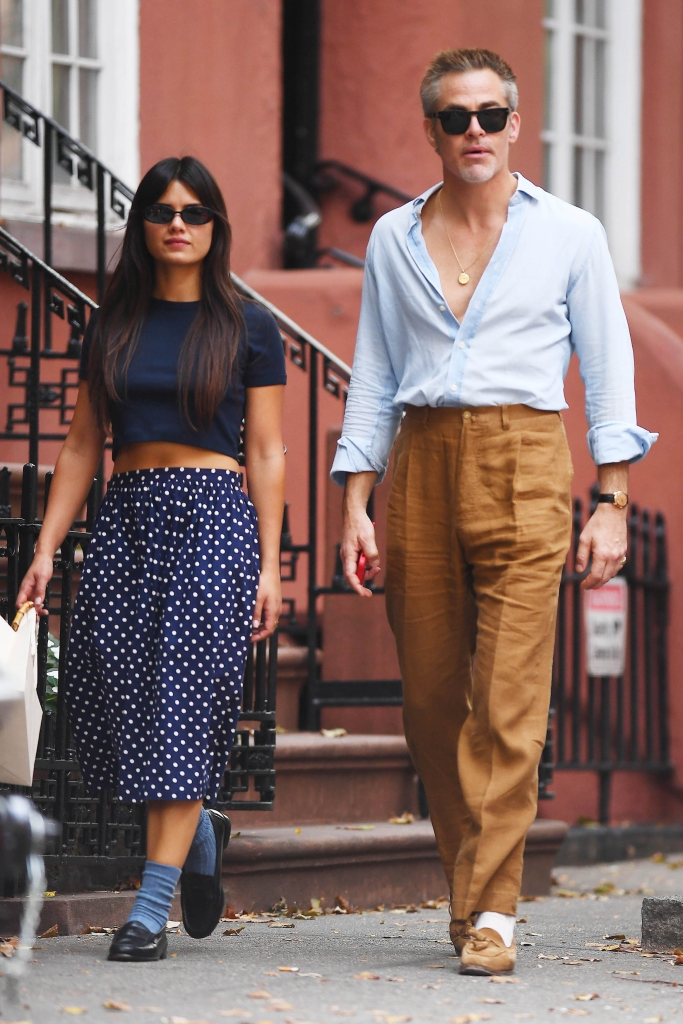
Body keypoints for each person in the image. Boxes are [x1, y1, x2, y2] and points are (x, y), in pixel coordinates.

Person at [332, 48, 656, 975]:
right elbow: (376, 377)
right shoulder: (392, 239)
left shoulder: (570, 234)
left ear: (515, 125)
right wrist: (356, 500)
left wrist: (611, 503)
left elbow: (607, 373)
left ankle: (495, 914)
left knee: (508, 703)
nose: (472, 130)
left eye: (488, 114)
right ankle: (466, 885)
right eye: (453, 116)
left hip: (524, 456)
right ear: (429, 129)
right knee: (433, 703)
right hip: (423, 464)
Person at [17, 156, 286, 962]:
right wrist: (45, 547)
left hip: (212, 521)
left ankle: (148, 909)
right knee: (131, 705)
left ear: (216, 227)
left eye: (196, 212)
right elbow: (78, 448)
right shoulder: (112, 324)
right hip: (126, 518)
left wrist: (272, 565)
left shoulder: (248, 325)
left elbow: (268, 452)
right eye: (163, 211)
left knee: (177, 700)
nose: (179, 223)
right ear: (141, 225)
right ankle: (198, 835)